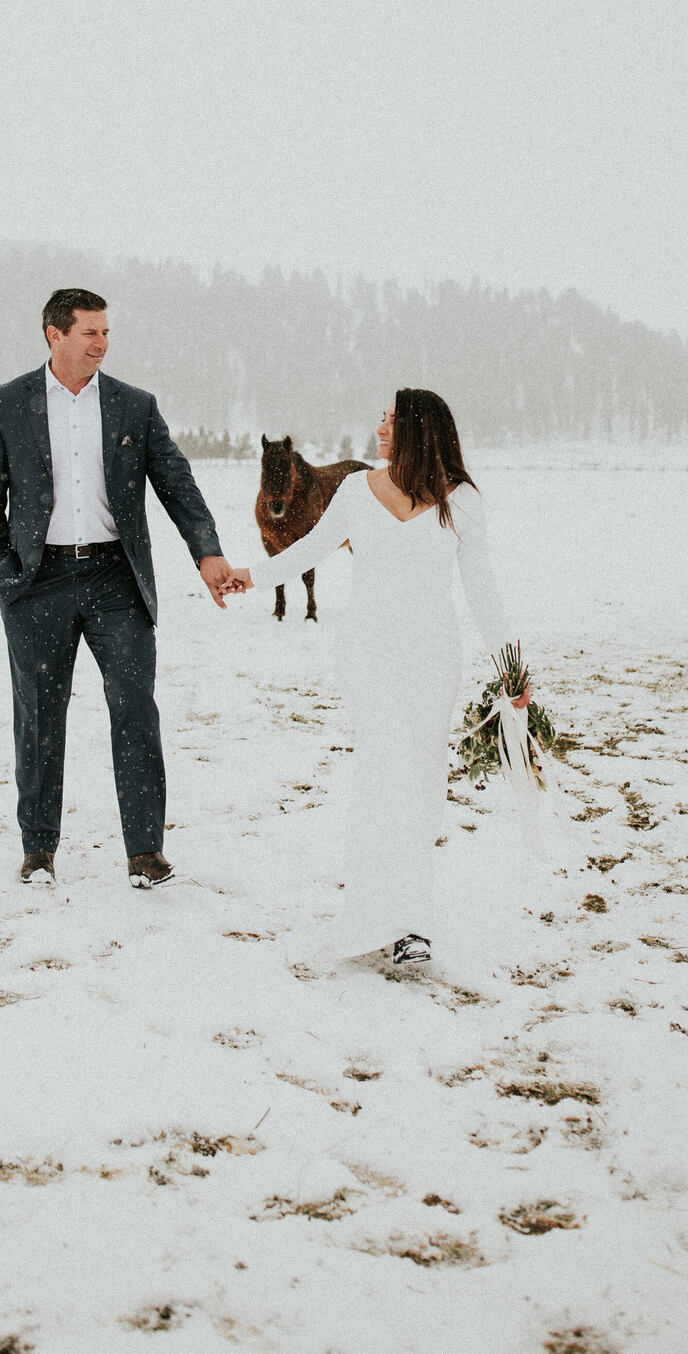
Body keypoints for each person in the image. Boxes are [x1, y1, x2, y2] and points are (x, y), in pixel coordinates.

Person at [225, 389, 527, 965]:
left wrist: (512, 668)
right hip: (368, 654)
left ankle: (412, 922)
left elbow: (482, 589)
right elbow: (308, 549)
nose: (379, 427)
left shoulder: (459, 501)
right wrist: (250, 577)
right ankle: (374, 916)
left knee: (420, 783)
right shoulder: (355, 492)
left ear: (416, 430)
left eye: (389, 420)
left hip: (433, 657)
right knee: (384, 773)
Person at [0, 288, 237, 887]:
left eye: (106, 333)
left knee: (135, 708)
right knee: (38, 715)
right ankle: (38, 849)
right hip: (36, 584)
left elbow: (177, 483)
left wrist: (208, 551)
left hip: (117, 579)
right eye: (89, 332)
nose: (101, 344)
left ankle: (145, 851)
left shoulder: (132, 406)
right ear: (54, 335)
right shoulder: (6, 403)